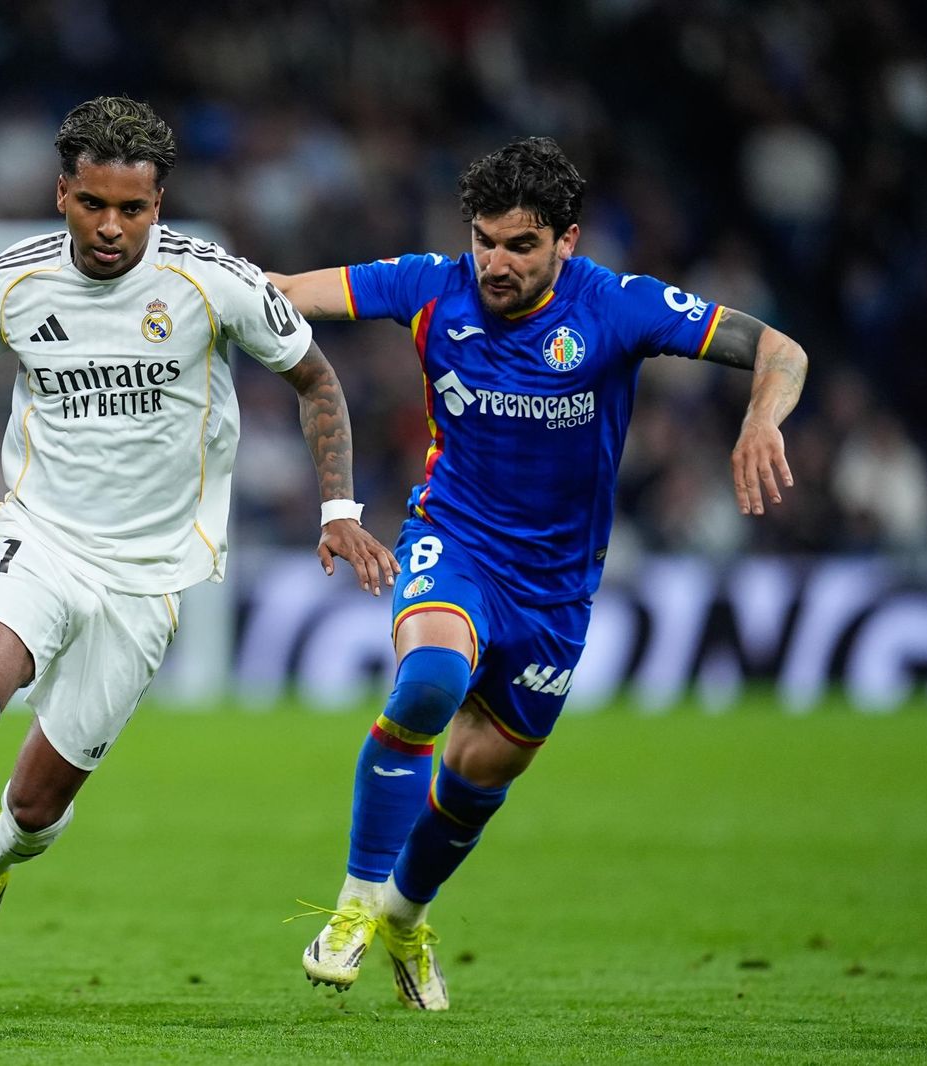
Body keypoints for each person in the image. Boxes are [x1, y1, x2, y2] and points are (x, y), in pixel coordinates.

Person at [0, 96, 399, 949]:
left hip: (149, 574)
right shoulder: (12, 282)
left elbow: (316, 379)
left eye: (133, 208)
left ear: (159, 204)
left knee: (35, 812)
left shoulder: (213, 280)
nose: (112, 226)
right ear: (61, 194)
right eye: (93, 203)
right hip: (38, 537)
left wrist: (338, 510)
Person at [269, 136, 807, 1010]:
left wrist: (761, 420)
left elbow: (782, 351)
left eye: (521, 245)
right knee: (429, 683)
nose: (496, 263)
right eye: (485, 240)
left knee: (480, 775)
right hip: (455, 540)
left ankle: (405, 913)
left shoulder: (618, 306)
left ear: (567, 240)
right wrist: (176, 280)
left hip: (556, 590)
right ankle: (358, 902)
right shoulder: (430, 285)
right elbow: (288, 293)